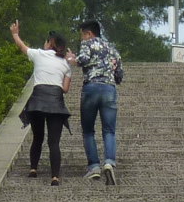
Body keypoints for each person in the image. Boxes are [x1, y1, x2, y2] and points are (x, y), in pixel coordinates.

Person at [9, 19, 72, 185]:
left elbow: (22, 47)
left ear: (50, 43)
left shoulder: (38, 54)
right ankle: (55, 176)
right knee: (54, 142)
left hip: (37, 102)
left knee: (37, 137)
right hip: (56, 103)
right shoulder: (65, 63)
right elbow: (65, 89)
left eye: (46, 41)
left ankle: (33, 169)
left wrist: (15, 34)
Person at [74, 18, 122, 185]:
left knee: (88, 130)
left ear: (89, 33)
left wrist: (73, 59)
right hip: (109, 89)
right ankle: (109, 162)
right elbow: (119, 74)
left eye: (82, 35)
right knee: (109, 130)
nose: (82, 39)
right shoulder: (113, 49)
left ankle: (94, 167)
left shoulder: (88, 43)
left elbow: (84, 60)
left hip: (91, 87)